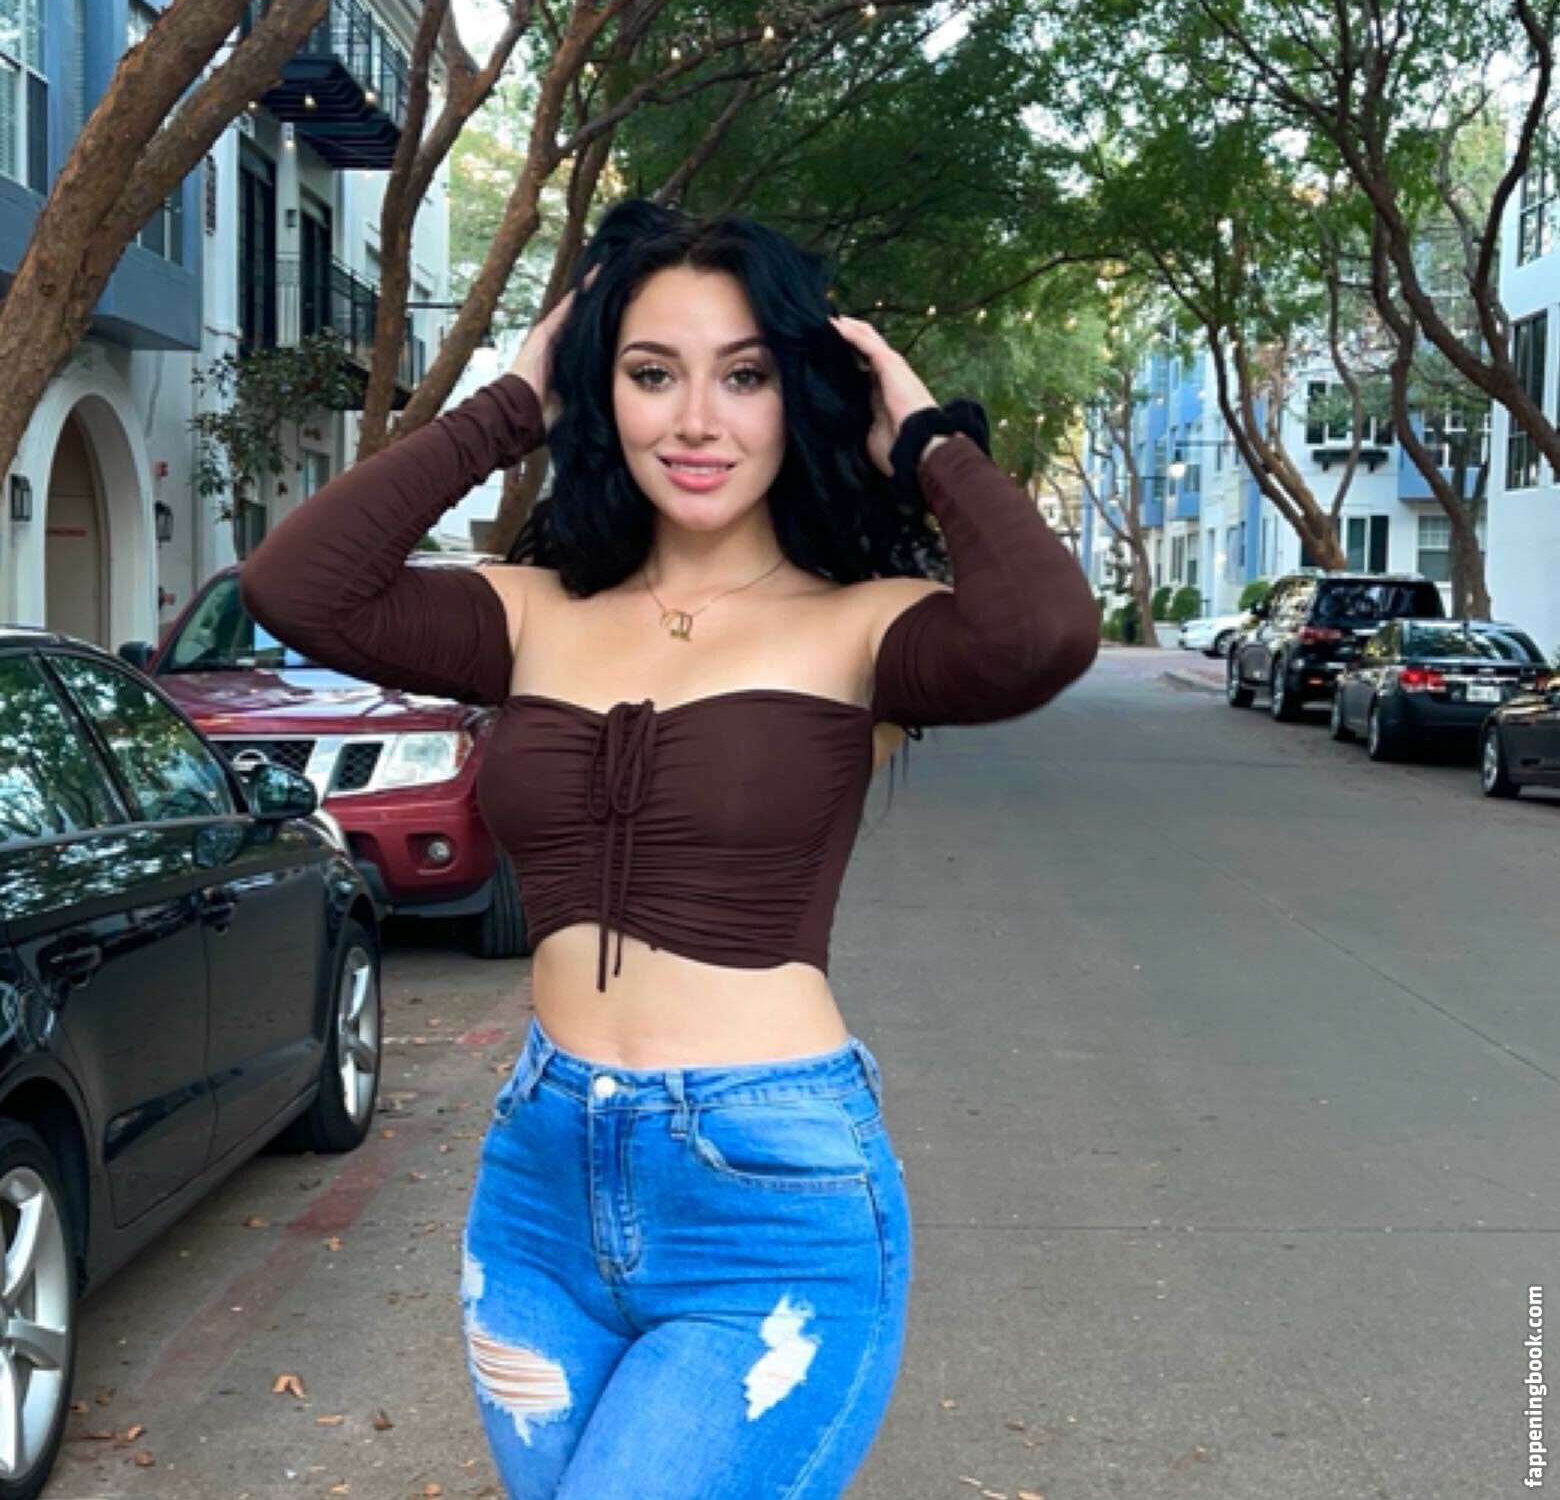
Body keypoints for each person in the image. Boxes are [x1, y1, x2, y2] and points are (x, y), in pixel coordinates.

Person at [239, 199, 1098, 1499]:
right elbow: (297, 585)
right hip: (541, 1190)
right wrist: (511, 402)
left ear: (801, 392)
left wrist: (927, 438)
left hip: (767, 1198)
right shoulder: (530, 611)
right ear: (603, 393)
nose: (696, 420)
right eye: (652, 373)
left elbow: (1045, 632)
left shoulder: (867, 628)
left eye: (743, 376)